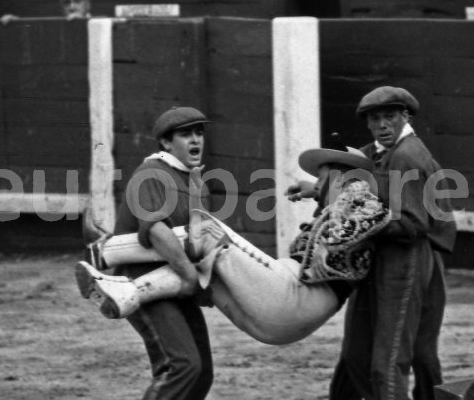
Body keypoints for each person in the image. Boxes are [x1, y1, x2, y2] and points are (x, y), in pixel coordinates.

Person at [77, 144, 387, 346]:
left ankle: (105, 251)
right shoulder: (342, 198)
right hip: (287, 310)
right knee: (205, 267)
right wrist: (318, 192)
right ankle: (128, 293)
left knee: (210, 231)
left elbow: (371, 214)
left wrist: (328, 243)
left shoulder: (359, 195)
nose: (315, 186)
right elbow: (339, 205)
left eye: (321, 178)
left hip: (296, 299)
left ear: (342, 177)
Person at [98, 106, 212, 400]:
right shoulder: (151, 173)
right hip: (141, 283)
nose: (195, 140)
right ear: (166, 142)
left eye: (198, 132)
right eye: (185, 134)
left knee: (201, 370)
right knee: (181, 364)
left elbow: (196, 236)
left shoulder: (194, 180)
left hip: (175, 280)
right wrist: (190, 276)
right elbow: (157, 232)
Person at [339, 87, 456, 400]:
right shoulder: (383, 152)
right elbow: (358, 167)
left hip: (405, 259)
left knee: (388, 362)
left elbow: (412, 223)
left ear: (406, 116)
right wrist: (316, 186)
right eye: (374, 119)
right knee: (360, 357)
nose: (382, 124)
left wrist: (357, 223)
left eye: (390, 116)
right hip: (384, 259)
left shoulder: (407, 155)